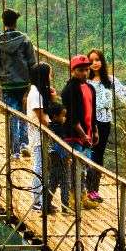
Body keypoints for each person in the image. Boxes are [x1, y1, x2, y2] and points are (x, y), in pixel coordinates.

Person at [84, 48, 126, 203]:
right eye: (91, 61)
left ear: (102, 61)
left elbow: (125, 95)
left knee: (98, 155)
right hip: (88, 121)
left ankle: (92, 190)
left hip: (104, 122)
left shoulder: (110, 80)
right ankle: (84, 188)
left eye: (97, 60)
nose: (95, 63)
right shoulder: (85, 82)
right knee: (86, 153)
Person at [0, 8, 36, 157]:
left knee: (11, 116)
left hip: (7, 84)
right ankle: (24, 144)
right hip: (24, 84)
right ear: (16, 21)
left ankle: (14, 151)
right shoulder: (25, 39)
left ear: (3, 22)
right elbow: (32, 63)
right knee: (23, 114)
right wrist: (33, 84)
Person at [59, 54, 100, 210]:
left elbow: (92, 111)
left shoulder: (90, 88)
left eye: (86, 70)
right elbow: (72, 116)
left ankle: (82, 197)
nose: (84, 73)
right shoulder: (69, 89)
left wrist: (95, 131)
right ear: (73, 71)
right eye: (81, 70)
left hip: (87, 134)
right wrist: (83, 135)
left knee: (82, 168)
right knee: (74, 169)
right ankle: (71, 199)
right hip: (74, 135)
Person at [26, 61, 54, 211]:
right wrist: (56, 128)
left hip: (41, 136)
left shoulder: (38, 91)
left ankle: (44, 200)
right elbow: (42, 118)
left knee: (44, 167)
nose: (51, 77)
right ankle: (37, 201)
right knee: (39, 167)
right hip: (38, 136)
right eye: (49, 74)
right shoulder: (36, 94)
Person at [43, 102, 72, 213]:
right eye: (62, 115)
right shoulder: (60, 129)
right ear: (55, 116)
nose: (64, 118)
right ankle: (65, 207)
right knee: (65, 182)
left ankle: (46, 205)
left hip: (52, 158)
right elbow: (61, 144)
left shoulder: (49, 127)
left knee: (53, 182)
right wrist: (67, 157)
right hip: (61, 158)